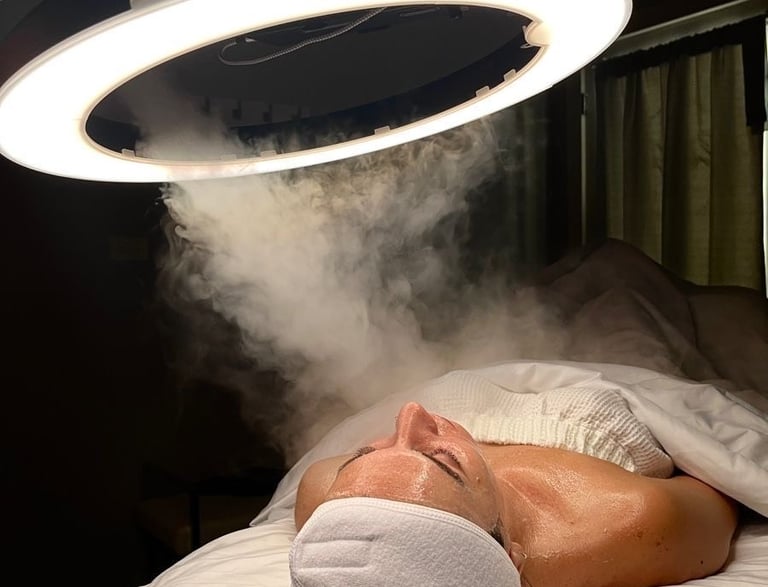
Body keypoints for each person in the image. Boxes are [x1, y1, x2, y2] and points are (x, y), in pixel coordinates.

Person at [291, 394, 739, 587]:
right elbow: (721, 488)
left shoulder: (322, 492)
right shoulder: (632, 519)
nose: (411, 413)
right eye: (446, 461)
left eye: (365, 453)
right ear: (513, 557)